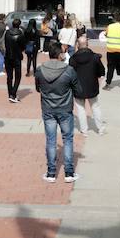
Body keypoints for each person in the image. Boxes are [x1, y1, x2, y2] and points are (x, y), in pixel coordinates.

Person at [35, 41, 78, 183]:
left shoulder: (40, 70)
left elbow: (37, 88)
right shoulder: (69, 70)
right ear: (60, 54)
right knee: (68, 139)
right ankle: (69, 173)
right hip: (65, 108)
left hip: (48, 108)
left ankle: (51, 172)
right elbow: (78, 89)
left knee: (51, 141)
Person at [69, 34, 107, 135]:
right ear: (87, 44)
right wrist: (99, 75)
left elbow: (70, 73)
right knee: (95, 107)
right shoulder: (94, 57)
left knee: (81, 109)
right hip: (92, 85)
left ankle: (84, 130)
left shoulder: (73, 59)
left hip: (78, 86)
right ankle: (100, 128)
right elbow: (101, 70)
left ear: (78, 45)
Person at [3, 17, 27, 103]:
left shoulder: (7, 33)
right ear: (19, 25)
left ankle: (11, 93)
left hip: (8, 56)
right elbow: (23, 46)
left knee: (9, 77)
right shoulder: (20, 34)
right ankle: (13, 94)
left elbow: (5, 43)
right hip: (17, 57)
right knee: (18, 76)